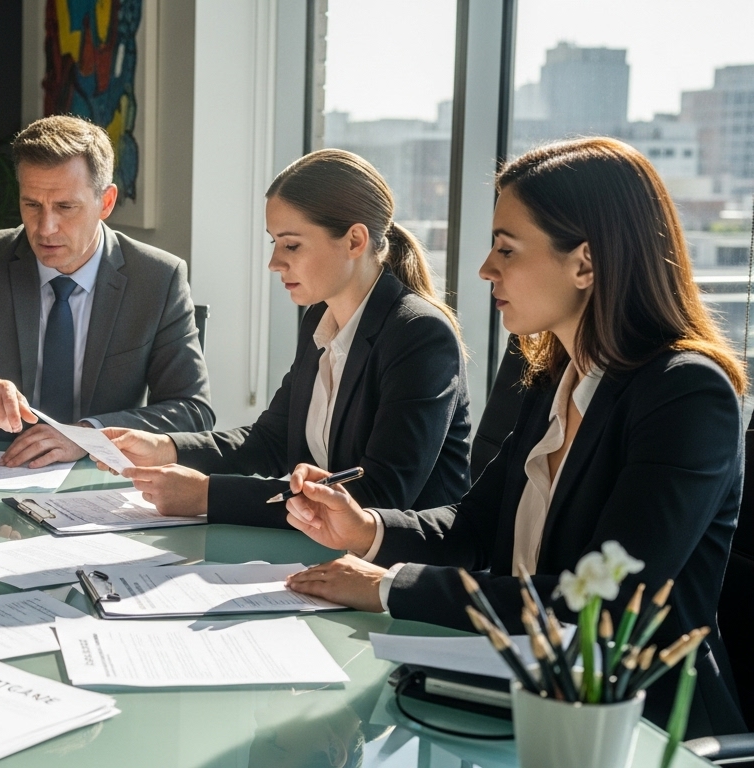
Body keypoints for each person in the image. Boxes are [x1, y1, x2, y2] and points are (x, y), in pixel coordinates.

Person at [281, 138, 747, 736]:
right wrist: (366, 529)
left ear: (585, 263)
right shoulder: (553, 370)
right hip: (517, 691)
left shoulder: (686, 394)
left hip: (636, 726)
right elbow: (476, 525)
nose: (484, 269)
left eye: (506, 248)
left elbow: (600, 604)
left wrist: (391, 587)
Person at [100, 149, 471, 524]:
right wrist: (165, 448)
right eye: (274, 242)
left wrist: (206, 495)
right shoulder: (319, 320)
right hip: (325, 550)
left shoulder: (419, 335)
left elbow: (379, 495)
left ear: (355, 241)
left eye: (291, 244)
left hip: (399, 566)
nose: (275, 262)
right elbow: (271, 440)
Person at [0, 115, 214, 468]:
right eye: (32, 205)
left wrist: (87, 434)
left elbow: (192, 410)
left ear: (106, 203)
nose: (45, 228)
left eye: (65, 207)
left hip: (100, 475)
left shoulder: (157, 277)